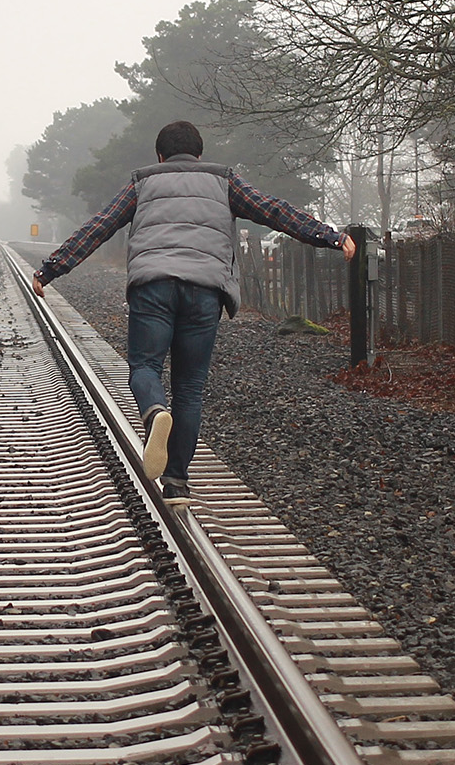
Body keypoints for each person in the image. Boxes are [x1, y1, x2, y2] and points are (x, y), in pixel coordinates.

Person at [31, 120, 355, 505]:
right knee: (189, 387)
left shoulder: (143, 183)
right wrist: (331, 236)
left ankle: (153, 414)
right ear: (199, 155)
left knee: (145, 367)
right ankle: (177, 483)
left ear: (160, 156)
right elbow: (275, 211)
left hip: (153, 287)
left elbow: (98, 227)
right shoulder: (224, 182)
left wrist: (50, 270)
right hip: (205, 291)